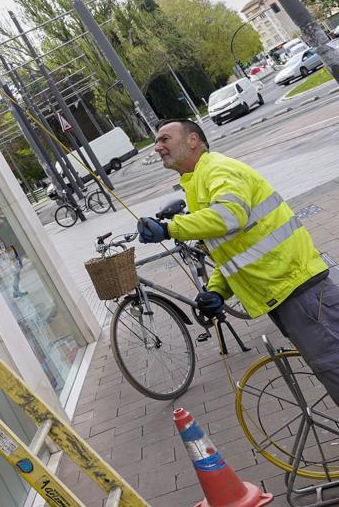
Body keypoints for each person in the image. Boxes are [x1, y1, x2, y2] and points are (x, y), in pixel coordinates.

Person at [138, 118, 339, 404]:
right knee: (329, 366)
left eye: (164, 139)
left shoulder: (218, 170)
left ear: (193, 140)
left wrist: (172, 228)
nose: (157, 147)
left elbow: (230, 216)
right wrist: (218, 291)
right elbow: (230, 251)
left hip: (298, 290)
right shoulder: (199, 181)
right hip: (286, 291)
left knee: (333, 364)